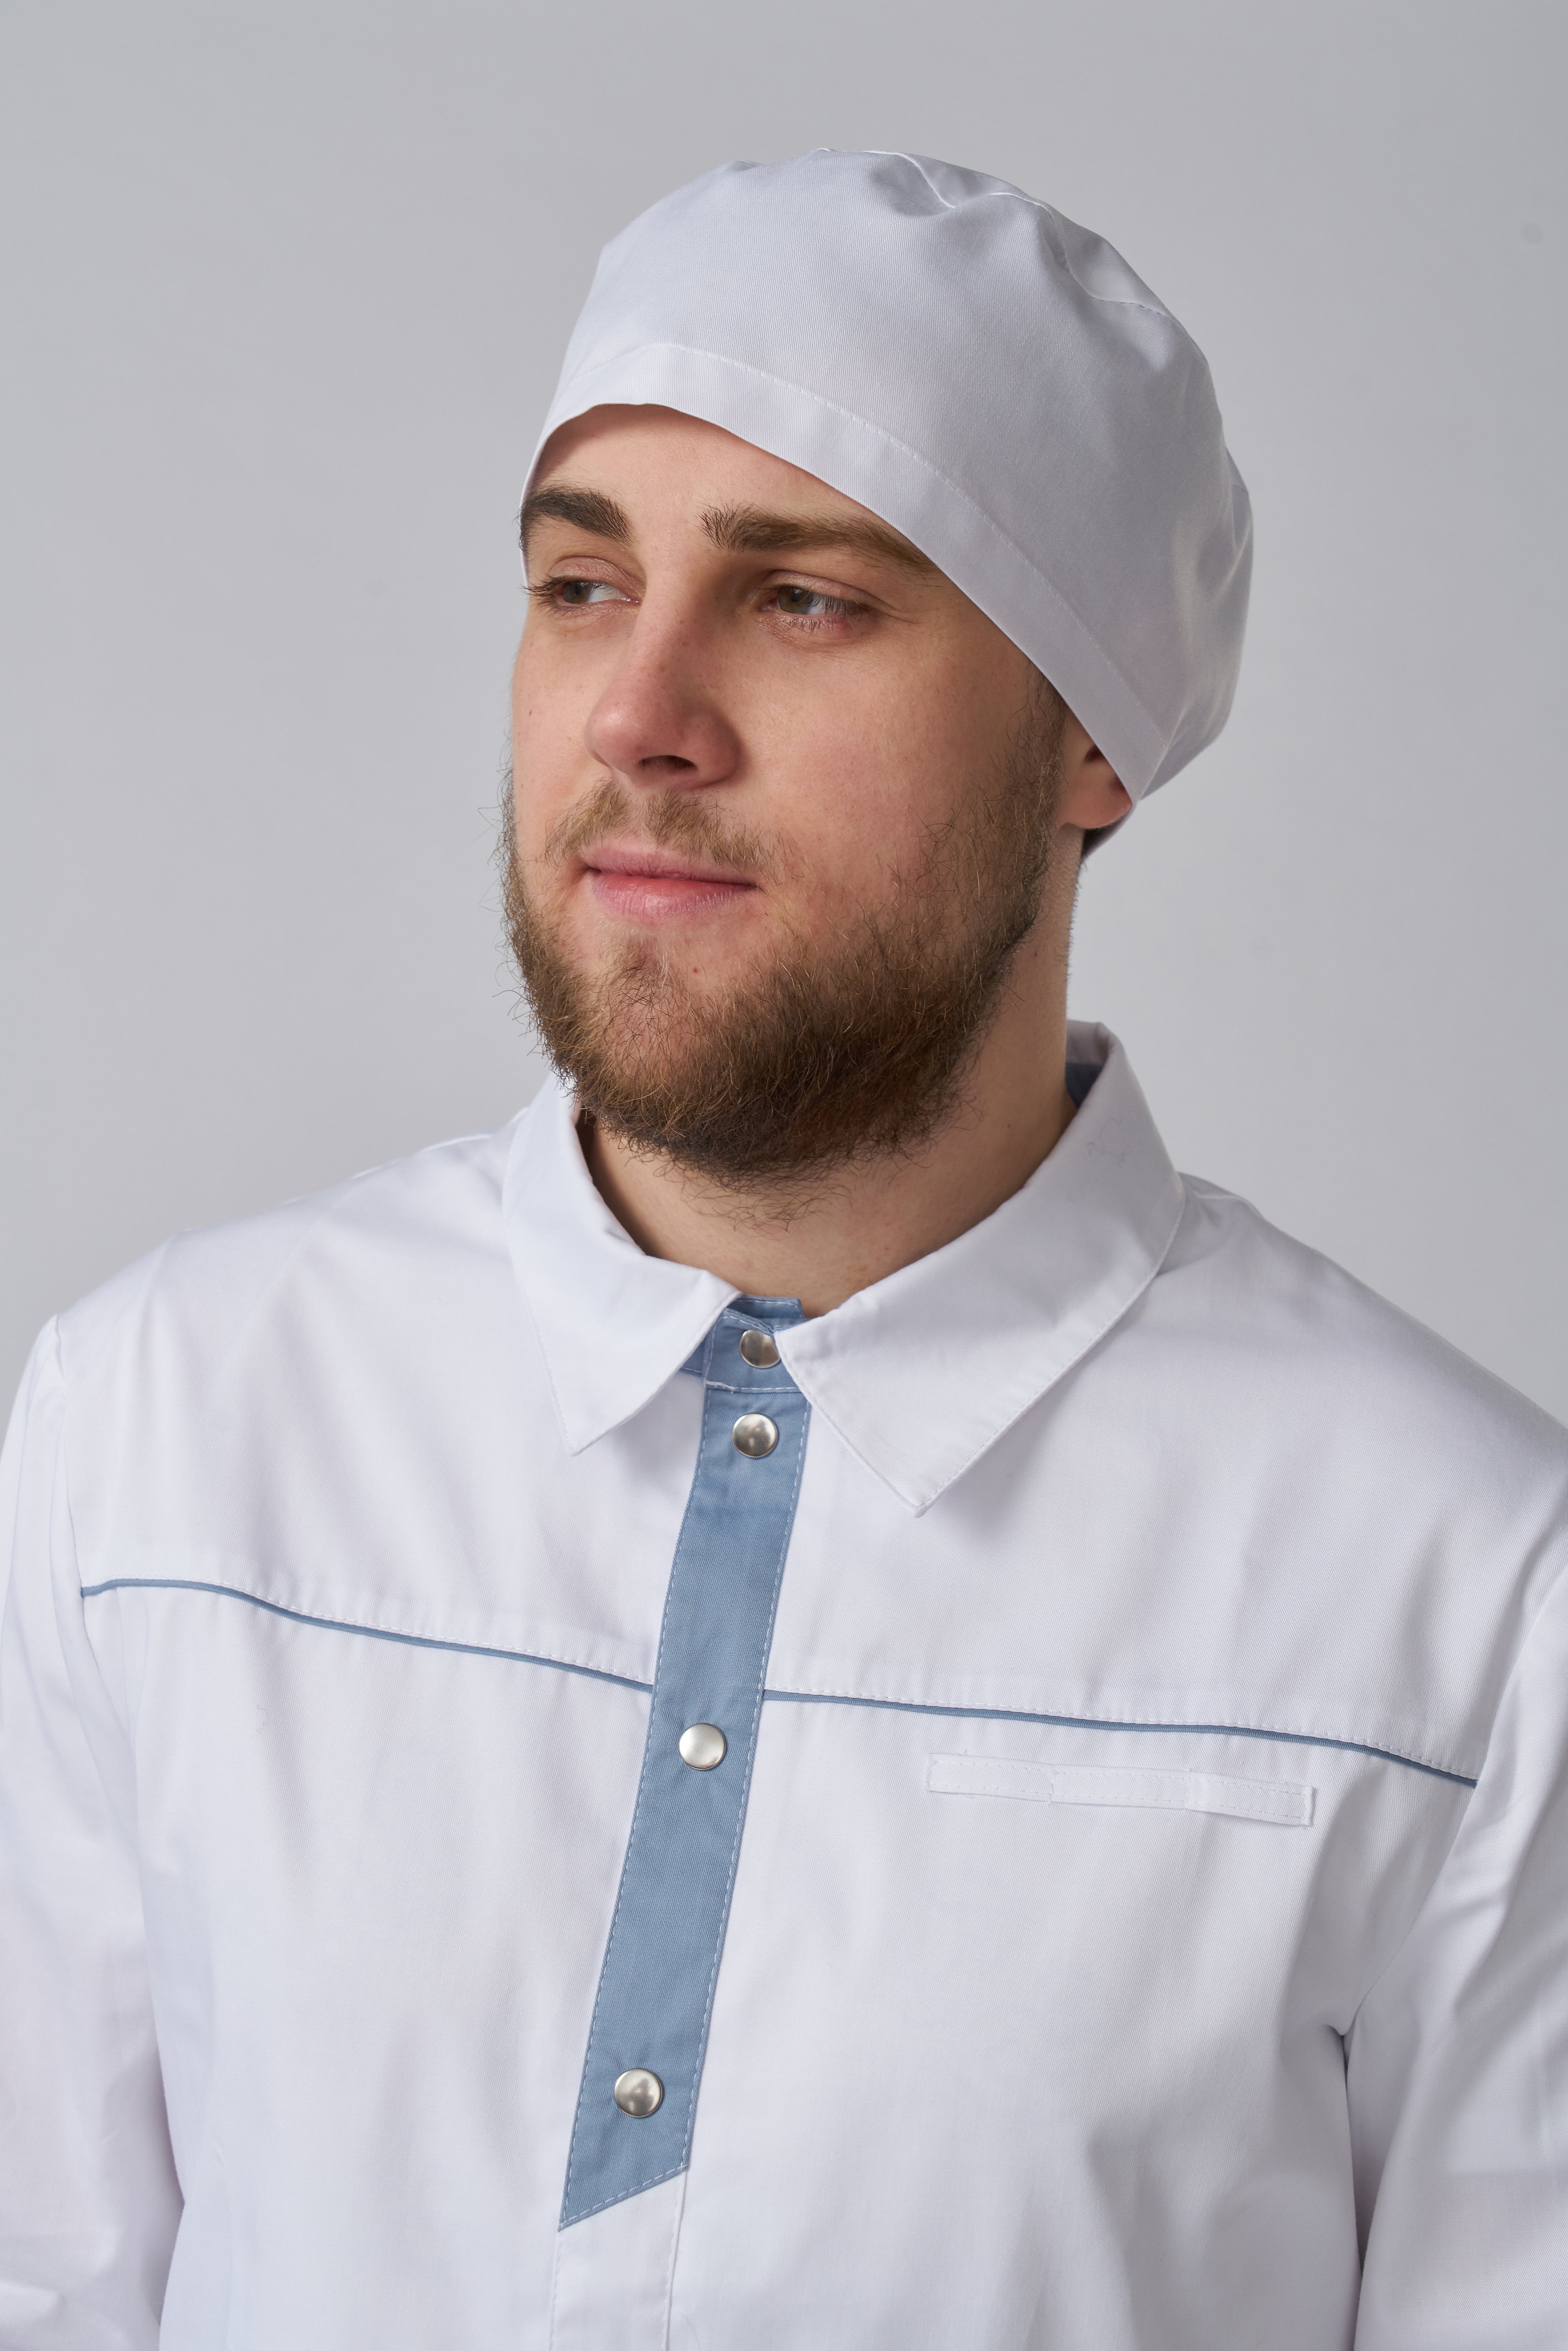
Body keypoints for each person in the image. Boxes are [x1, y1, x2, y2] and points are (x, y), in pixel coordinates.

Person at [0, 149, 1563, 2351]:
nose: (637, 714)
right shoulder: (160, 1435)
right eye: (579, 585)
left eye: (804, 599)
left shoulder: (1469, 1598)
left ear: (1089, 737)